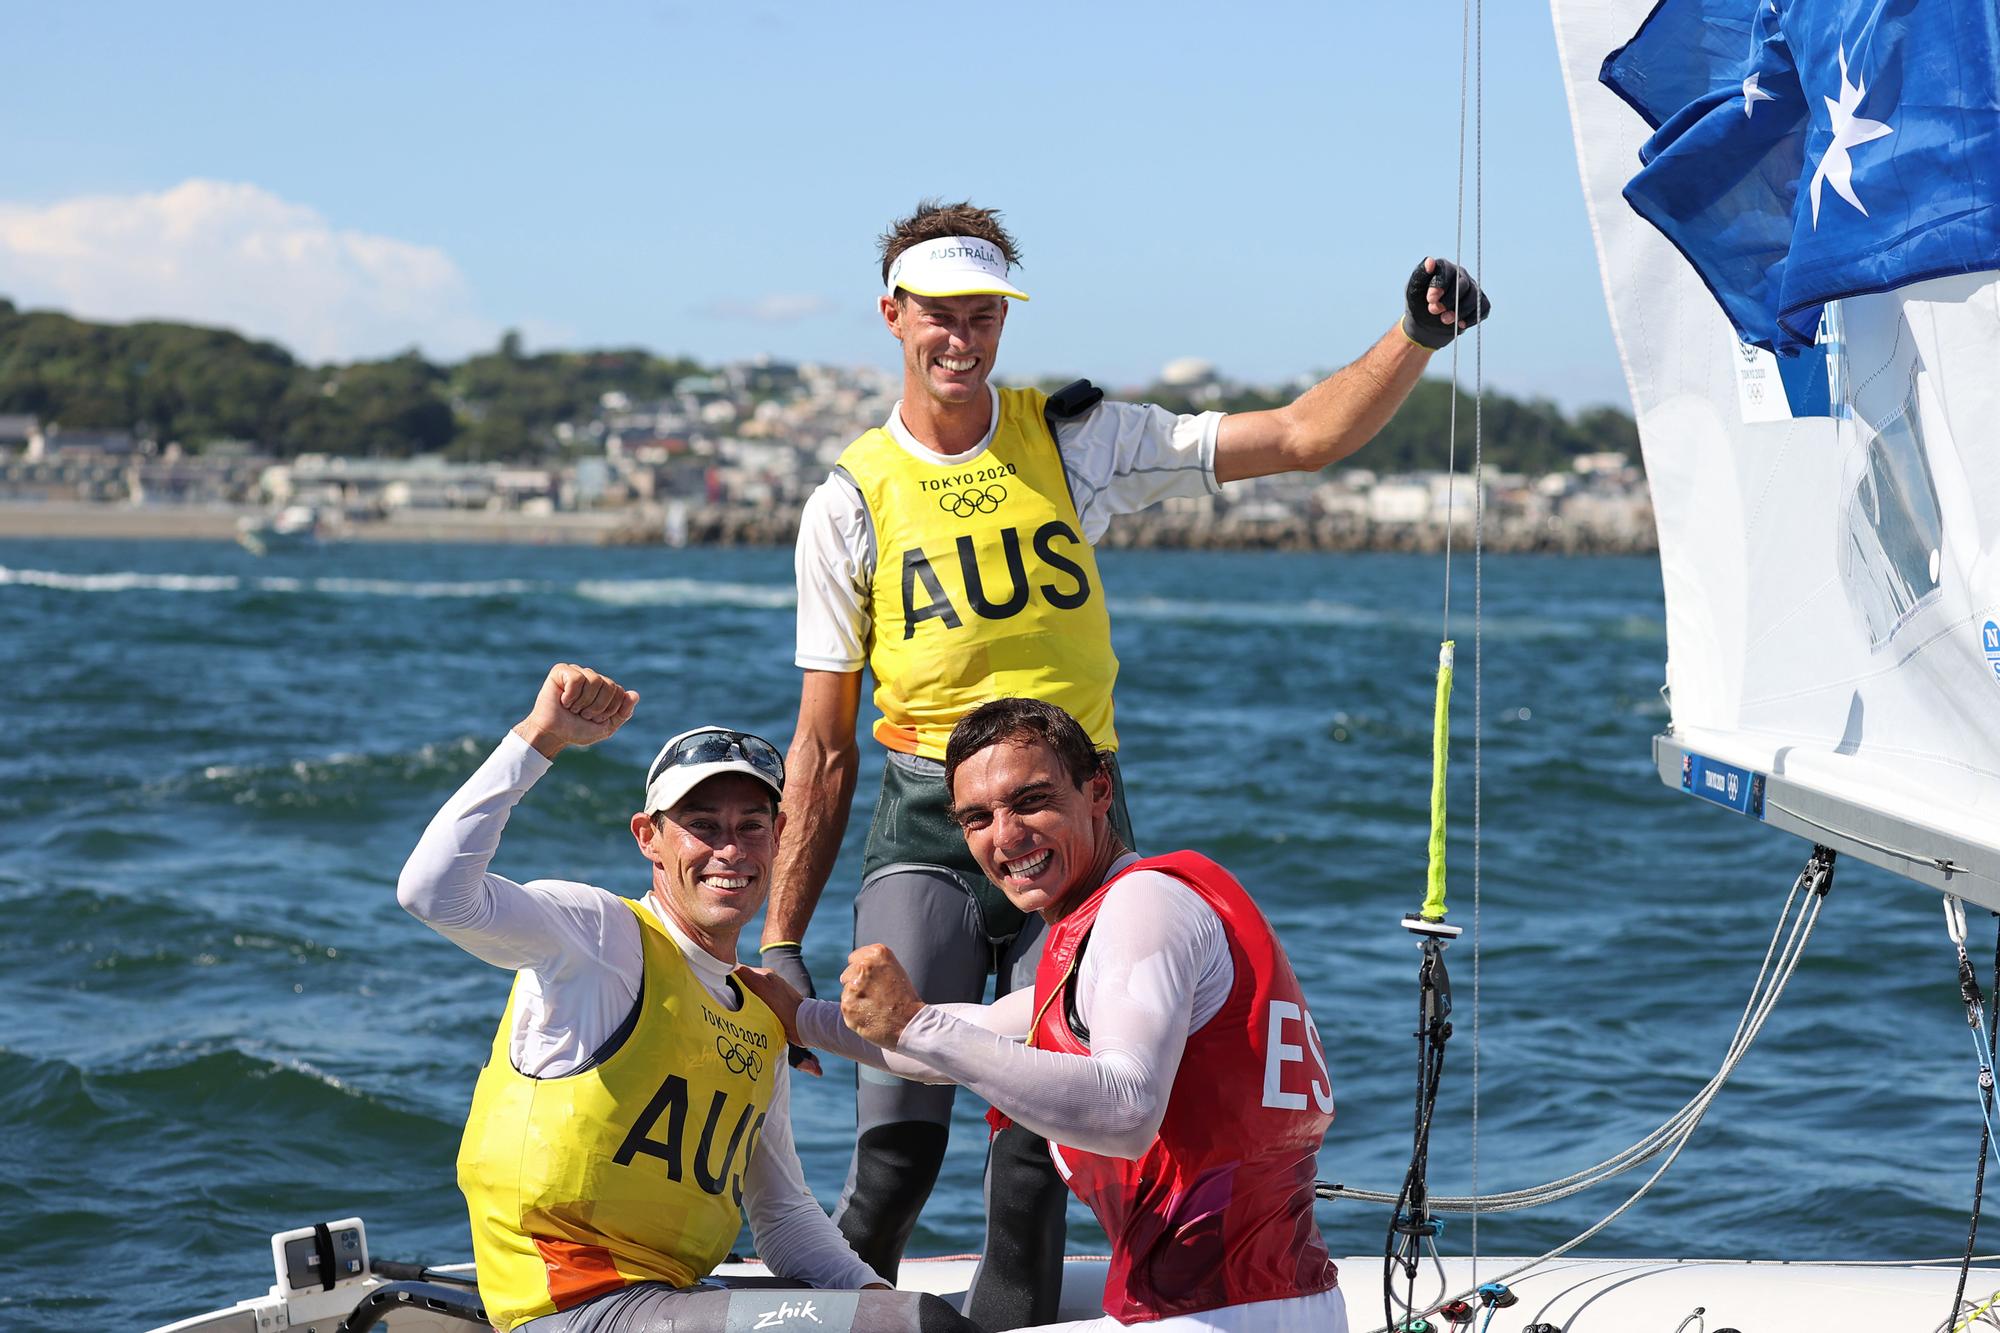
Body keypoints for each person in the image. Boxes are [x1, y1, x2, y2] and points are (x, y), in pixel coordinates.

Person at [757, 198, 1483, 1325]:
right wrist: (782, 942)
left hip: (1074, 813)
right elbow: (819, 743)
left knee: (1040, 1163)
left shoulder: (1074, 435)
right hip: (928, 823)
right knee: (896, 1152)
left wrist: (1416, 337)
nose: (964, 337)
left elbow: (1299, 437)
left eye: (985, 314)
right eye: (940, 314)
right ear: (892, 316)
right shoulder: (847, 499)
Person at [396, 662, 977, 1333]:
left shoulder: (761, 1015)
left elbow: (785, 1218)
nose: (729, 848)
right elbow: (432, 891)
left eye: (750, 825)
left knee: (910, 1319)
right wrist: (541, 737)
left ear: (780, 835)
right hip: (573, 1310)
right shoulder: (599, 936)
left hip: (672, 1297)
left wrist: (874, 1296)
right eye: (703, 825)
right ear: (649, 836)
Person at [742, 696, 1345, 1332]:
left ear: (1099, 792)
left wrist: (916, 1021)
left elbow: (1126, 1109)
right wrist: (803, 1018)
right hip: (1274, 1297)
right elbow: (960, 1040)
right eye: (977, 818)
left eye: (1031, 801)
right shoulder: (1126, 926)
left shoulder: (1143, 906)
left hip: (1221, 1315)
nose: (1005, 836)